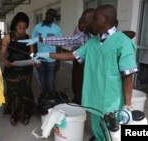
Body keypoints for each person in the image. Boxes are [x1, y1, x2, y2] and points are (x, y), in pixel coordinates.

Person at [34, 4, 138, 141]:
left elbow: (127, 76)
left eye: (95, 18)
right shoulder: (94, 42)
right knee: (98, 130)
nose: (92, 22)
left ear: (106, 19)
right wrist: (46, 54)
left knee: (111, 134)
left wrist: (127, 105)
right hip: (94, 99)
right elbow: (73, 55)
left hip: (111, 103)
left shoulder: (123, 43)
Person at [19, 8, 95, 104]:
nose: (81, 27)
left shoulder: (111, 39)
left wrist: (55, 59)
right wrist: (40, 43)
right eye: (81, 23)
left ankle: (77, 100)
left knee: (52, 81)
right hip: (47, 59)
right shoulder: (84, 35)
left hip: (89, 68)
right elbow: (67, 41)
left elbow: (66, 47)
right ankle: (73, 100)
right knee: (74, 81)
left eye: (85, 23)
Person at [0, 12, 36, 126]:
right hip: (12, 68)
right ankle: (14, 114)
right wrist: (5, 62)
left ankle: (24, 114)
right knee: (14, 92)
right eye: (20, 28)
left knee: (25, 90)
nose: (22, 30)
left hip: (26, 68)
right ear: (15, 26)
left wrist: (34, 59)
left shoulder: (29, 38)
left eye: (24, 28)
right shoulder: (7, 37)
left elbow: (31, 53)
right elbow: (3, 53)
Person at [32, 8, 62, 97]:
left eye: (53, 16)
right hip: (40, 58)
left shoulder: (57, 29)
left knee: (51, 80)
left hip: (52, 59)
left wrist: (58, 61)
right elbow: (33, 43)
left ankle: (51, 97)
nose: (51, 17)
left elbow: (59, 45)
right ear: (46, 14)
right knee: (41, 79)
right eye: (50, 14)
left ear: (54, 18)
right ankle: (45, 95)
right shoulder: (37, 27)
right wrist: (34, 57)